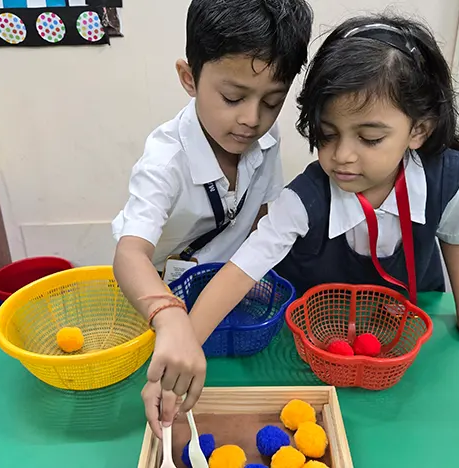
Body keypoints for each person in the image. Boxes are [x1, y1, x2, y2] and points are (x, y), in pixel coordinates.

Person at [165, 12, 459, 416]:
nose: (342, 156)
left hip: (397, 334)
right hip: (310, 346)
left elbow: (456, 234)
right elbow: (244, 267)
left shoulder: (442, 176)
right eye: (327, 135)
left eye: (369, 138)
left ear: (418, 130)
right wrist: (186, 343)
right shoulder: (306, 199)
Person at [111, 0, 313, 438]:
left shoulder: (267, 138)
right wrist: (168, 318)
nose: (251, 119)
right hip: (159, 297)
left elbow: (262, 220)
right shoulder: (165, 161)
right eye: (233, 97)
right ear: (189, 78)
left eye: (272, 102)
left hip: (228, 300)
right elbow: (129, 255)